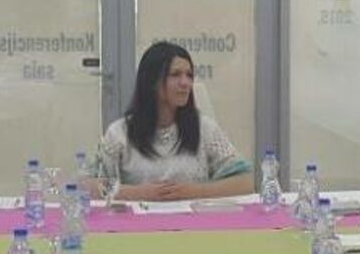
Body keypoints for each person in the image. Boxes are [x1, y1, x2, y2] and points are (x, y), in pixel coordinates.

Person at [94, 42, 252, 201]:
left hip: (193, 216)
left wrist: (192, 192)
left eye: (189, 75)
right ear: (152, 81)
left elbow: (245, 182)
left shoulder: (205, 128)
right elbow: (89, 185)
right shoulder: (119, 133)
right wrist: (137, 193)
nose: (185, 83)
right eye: (175, 74)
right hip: (141, 216)